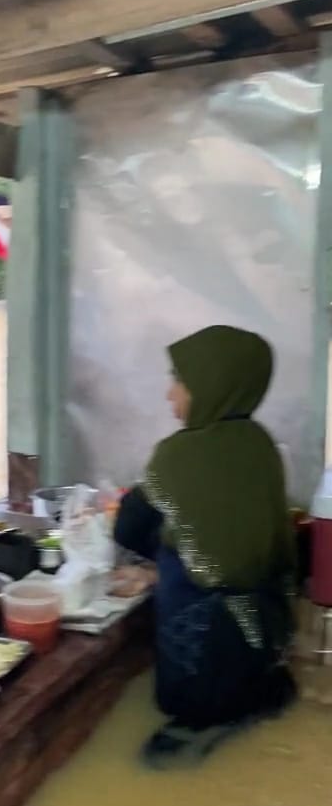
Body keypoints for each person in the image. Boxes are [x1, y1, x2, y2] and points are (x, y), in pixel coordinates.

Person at [115, 325, 296, 768]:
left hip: (206, 644)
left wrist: (155, 563)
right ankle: (258, 701)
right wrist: (163, 571)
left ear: (211, 383)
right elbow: (239, 546)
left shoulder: (180, 456)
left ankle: (205, 722)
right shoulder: (261, 446)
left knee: (158, 761)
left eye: (178, 379)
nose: (169, 394)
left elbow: (129, 527)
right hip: (265, 631)